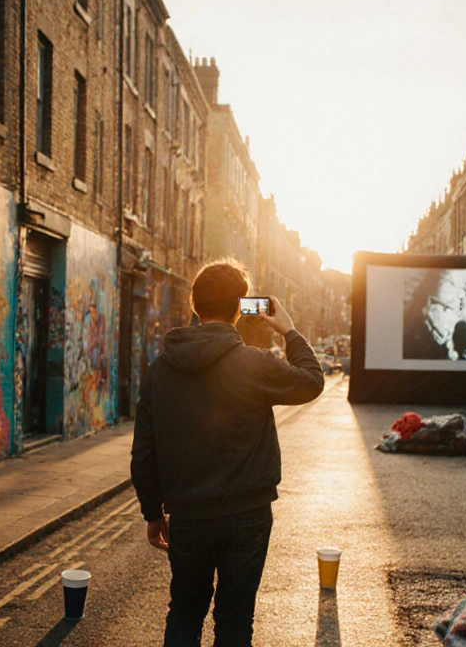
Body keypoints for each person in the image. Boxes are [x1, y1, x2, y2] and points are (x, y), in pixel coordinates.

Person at [131, 260, 324, 647]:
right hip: (247, 516)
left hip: (188, 515)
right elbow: (312, 382)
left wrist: (153, 513)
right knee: (235, 620)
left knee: (185, 611)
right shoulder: (253, 363)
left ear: (194, 303)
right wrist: (287, 328)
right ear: (241, 308)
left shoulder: (162, 370)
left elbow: (144, 451)